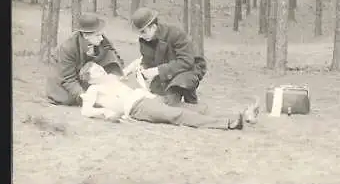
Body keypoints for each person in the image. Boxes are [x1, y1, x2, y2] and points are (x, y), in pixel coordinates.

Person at [78, 62, 260, 130]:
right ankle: (229, 123)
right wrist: (104, 114)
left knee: (195, 108)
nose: (101, 69)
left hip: (149, 98)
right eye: (96, 70)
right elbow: (86, 111)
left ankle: (243, 115)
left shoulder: (111, 79)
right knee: (177, 115)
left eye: (99, 67)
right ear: (90, 79)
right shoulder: (93, 90)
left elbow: (128, 73)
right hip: (138, 107)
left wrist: (139, 66)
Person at [129, 7, 207, 107]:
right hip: (166, 73)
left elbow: (186, 61)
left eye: (143, 31)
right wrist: (143, 69)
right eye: (140, 32)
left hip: (188, 69)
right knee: (156, 101)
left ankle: (195, 105)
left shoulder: (175, 33)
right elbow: (147, 61)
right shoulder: (145, 40)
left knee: (171, 102)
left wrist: (157, 71)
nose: (141, 35)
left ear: (153, 27)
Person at [45, 13, 125, 106]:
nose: (101, 38)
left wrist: (114, 78)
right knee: (68, 98)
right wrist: (84, 96)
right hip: (66, 79)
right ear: (86, 36)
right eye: (97, 35)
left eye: (101, 34)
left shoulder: (102, 40)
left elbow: (115, 59)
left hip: (89, 77)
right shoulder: (68, 47)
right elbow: (68, 79)